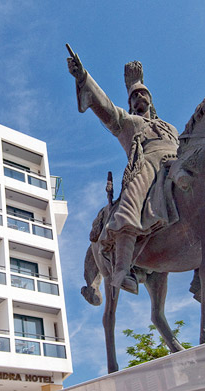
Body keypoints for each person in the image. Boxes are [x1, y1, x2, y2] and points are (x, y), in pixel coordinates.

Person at [67, 54, 179, 294]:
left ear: (151, 98)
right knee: (133, 196)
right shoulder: (130, 123)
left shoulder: (170, 128)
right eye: (134, 95)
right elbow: (106, 107)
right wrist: (83, 78)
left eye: (143, 93)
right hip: (148, 166)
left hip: (177, 164)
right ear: (129, 104)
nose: (139, 96)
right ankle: (121, 268)